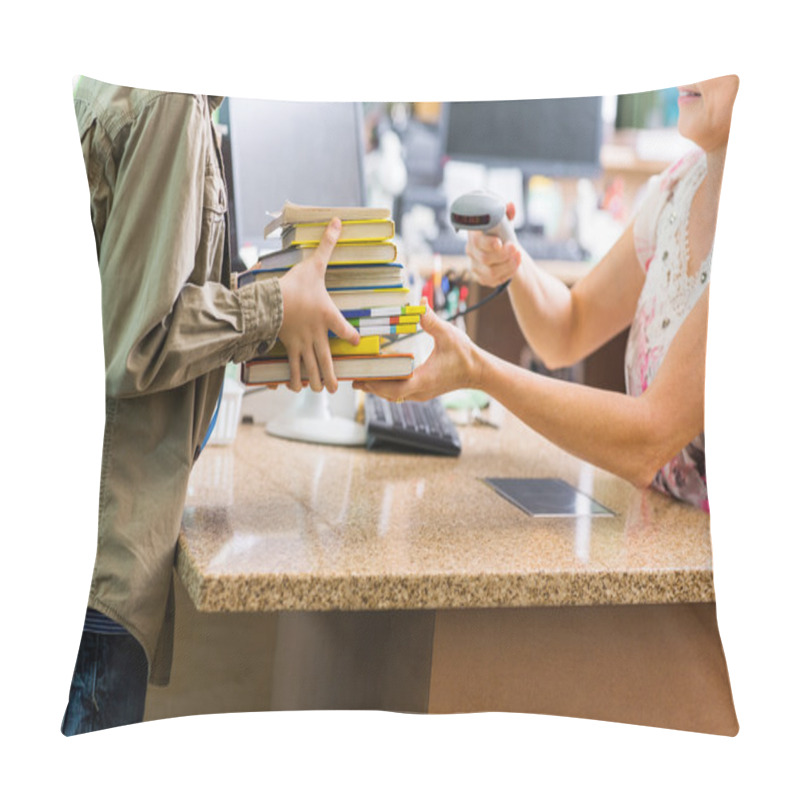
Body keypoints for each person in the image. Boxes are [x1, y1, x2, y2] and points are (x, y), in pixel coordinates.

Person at [62, 77, 359, 734]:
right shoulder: (172, 100)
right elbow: (135, 339)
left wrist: (270, 318)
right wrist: (274, 307)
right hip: (107, 553)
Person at [356, 76, 739, 512]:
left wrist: (478, 370)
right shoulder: (677, 189)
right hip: (655, 531)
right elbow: (568, 329)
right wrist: (511, 257)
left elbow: (647, 442)